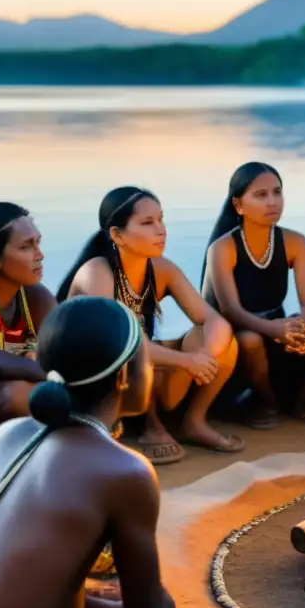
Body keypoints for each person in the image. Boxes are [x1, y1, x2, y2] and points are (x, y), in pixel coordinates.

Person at [0, 296, 242, 608]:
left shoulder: (7, 432)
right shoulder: (123, 470)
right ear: (124, 376)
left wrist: (96, 600)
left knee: (94, 598)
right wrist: (154, 605)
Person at [58, 186, 243, 465]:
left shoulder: (161, 268)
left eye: (161, 219)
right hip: (96, 377)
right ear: (117, 235)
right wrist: (187, 360)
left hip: (137, 366)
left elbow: (210, 318)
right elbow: (122, 343)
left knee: (225, 343)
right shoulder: (97, 272)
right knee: (139, 351)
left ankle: (193, 422)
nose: (161, 230)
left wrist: (206, 355)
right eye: (147, 223)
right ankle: (146, 429)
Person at [202, 162, 305, 429]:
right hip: (236, 338)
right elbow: (230, 310)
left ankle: (301, 401)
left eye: (277, 193)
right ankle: (264, 402)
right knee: (251, 340)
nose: (272, 202)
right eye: (261, 195)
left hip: (277, 332)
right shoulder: (222, 248)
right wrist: (274, 329)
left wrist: (303, 329)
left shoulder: (294, 241)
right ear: (239, 205)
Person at [0, 202, 56, 437]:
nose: (40, 255)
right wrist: (53, 375)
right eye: (27, 247)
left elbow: (59, 352)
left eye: (38, 243)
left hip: (3, 408)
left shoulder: (37, 296)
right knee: (18, 394)